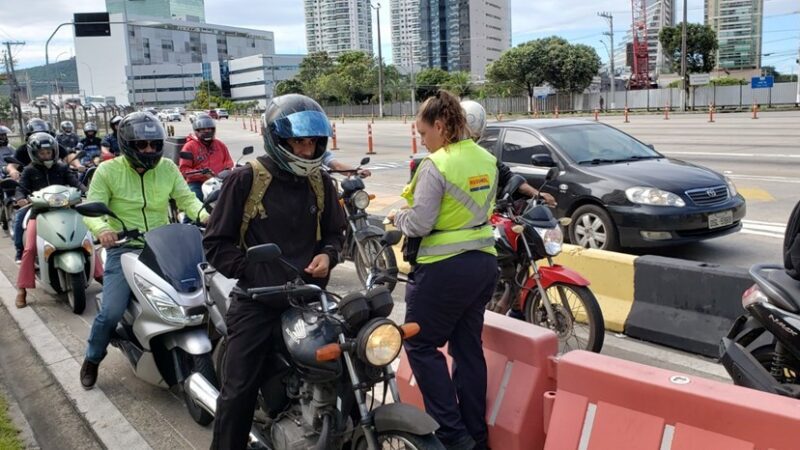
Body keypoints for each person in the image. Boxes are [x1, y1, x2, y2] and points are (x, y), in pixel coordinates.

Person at [203, 94, 345, 449]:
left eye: (313, 142)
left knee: (343, 369)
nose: (307, 149)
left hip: (308, 299)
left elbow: (335, 232)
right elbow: (216, 243)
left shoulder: (321, 182)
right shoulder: (247, 179)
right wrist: (253, 270)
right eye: (299, 141)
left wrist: (328, 255)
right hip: (258, 301)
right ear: (279, 140)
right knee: (238, 391)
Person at [386, 90, 498, 450]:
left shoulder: (437, 164)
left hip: (443, 268)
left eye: (423, 133)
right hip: (483, 263)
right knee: (468, 349)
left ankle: (452, 435)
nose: (423, 140)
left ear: (440, 125)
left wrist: (396, 216)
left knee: (418, 344)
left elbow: (419, 222)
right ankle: (477, 437)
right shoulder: (486, 159)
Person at [79, 112, 209, 390]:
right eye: (141, 145)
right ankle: (92, 358)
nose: (149, 150)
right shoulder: (107, 171)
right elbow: (92, 208)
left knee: (206, 296)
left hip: (165, 245)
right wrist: (103, 229)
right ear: (126, 144)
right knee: (111, 311)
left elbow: (187, 199)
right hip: (124, 249)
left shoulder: (167, 168)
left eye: (153, 144)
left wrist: (208, 216)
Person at [14, 132, 88, 308]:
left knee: (86, 239)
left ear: (54, 152)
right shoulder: (29, 170)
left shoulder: (61, 168)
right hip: (39, 213)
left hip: (66, 210)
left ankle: (99, 274)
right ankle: (22, 290)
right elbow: (21, 188)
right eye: (42, 153)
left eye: (49, 152)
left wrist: (84, 189)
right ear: (35, 154)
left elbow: (74, 181)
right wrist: (20, 198)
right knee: (30, 248)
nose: (46, 156)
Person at [461, 100, 556, 208]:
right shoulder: (485, 157)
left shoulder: (485, 157)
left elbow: (508, 176)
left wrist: (537, 194)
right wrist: (537, 194)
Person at [178, 113, 233, 200]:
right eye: (203, 129)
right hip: (197, 183)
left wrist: (226, 173)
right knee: (195, 201)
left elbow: (228, 164)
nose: (207, 131)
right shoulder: (189, 147)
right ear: (196, 130)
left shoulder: (220, 145)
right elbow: (184, 170)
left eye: (209, 129)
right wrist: (201, 174)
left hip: (218, 181)